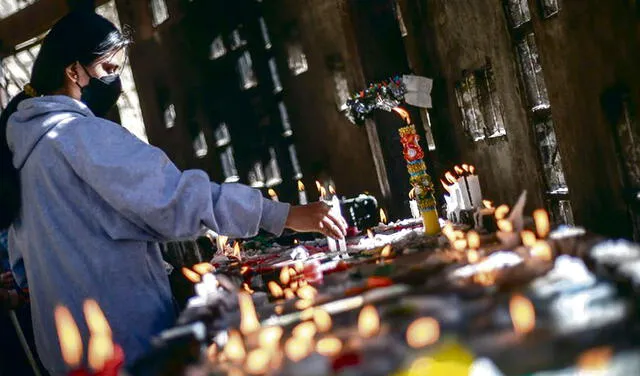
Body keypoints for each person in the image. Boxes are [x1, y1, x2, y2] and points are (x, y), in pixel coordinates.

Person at [0, 10, 346, 376]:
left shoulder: (23, 155)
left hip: (67, 356)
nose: (115, 82)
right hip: (127, 342)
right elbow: (174, 200)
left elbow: (24, 269)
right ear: (74, 71)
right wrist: (284, 214)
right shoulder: (79, 137)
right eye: (109, 70)